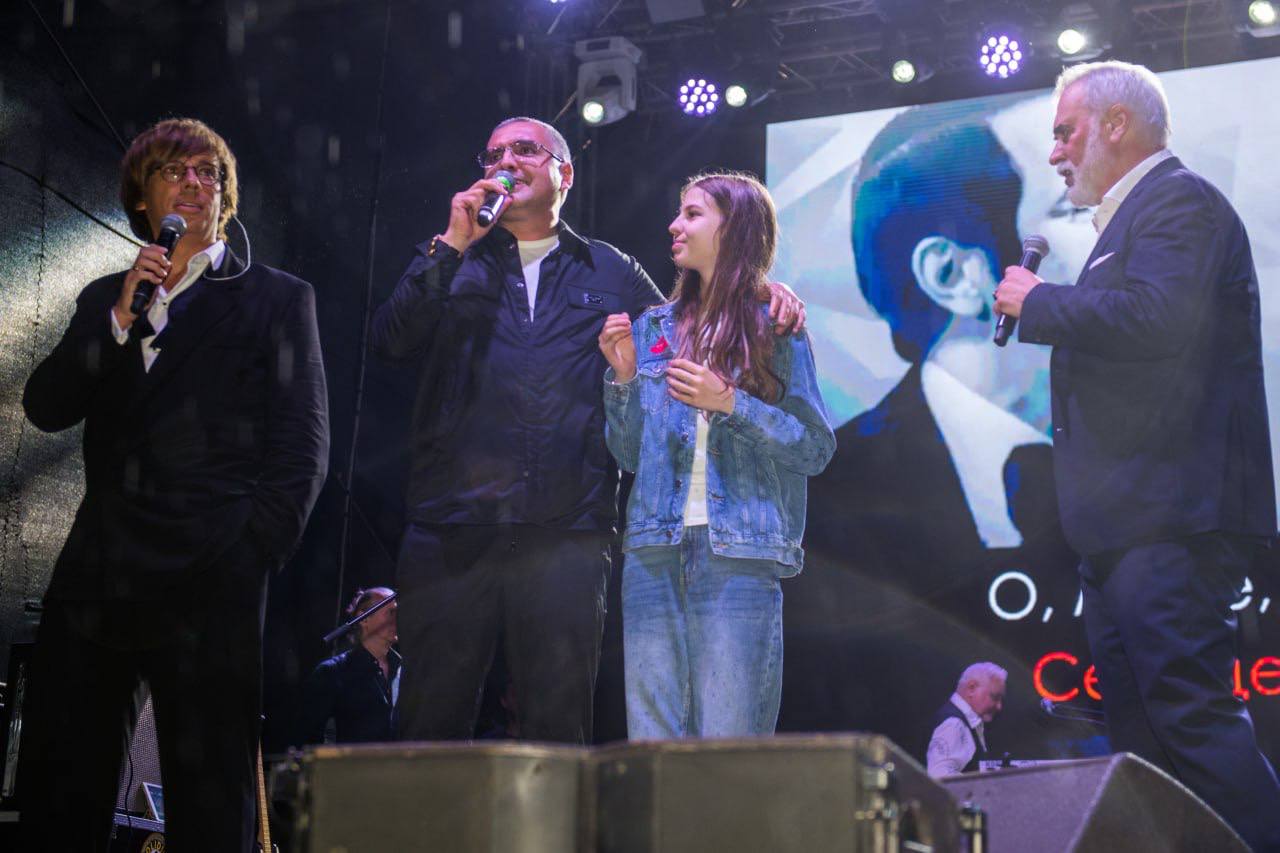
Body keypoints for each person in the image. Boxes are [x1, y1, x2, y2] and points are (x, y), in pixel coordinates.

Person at [371, 117, 803, 744]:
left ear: (564, 174)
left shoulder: (609, 269)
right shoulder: (452, 259)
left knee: (557, 728)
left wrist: (762, 291)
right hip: (451, 528)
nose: (505, 162)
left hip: (567, 535)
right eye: (493, 154)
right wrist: (451, 242)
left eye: (525, 149)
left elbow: (687, 324)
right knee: (429, 725)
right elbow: (390, 341)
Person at [17, 118, 330, 852]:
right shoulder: (107, 295)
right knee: (62, 786)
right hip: (100, 574)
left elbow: (304, 443)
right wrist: (118, 317)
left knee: (211, 798)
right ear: (141, 198)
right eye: (174, 170)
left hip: (212, 573)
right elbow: (46, 405)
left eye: (208, 172)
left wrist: (251, 551)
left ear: (225, 196)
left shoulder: (276, 297)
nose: (195, 182)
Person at [995, 60, 1280, 850]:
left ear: (1116, 125)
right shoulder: (1133, 221)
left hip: (1171, 519)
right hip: (1130, 525)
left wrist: (1040, 302)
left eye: (1066, 131)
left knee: (1191, 723)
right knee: (1147, 746)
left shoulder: (1177, 201)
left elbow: (1160, 318)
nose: (1055, 152)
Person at [598, 171, 835, 738]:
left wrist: (731, 403)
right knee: (653, 742)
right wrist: (624, 379)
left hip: (739, 551)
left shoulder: (776, 323)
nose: (674, 226)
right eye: (679, 213)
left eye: (693, 214)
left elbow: (814, 447)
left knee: (728, 743)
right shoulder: (652, 328)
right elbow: (628, 454)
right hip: (653, 550)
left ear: (734, 228)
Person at [297, 587, 400, 744]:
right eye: (390, 613)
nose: (397, 618)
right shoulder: (334, 672)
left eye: (397, 612)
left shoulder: (405, 670)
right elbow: (309, 736)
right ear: (364, 619)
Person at [926, 662, 1007, 778]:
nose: (999, 706)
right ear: (971, 688)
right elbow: (939, 777)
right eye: (995, 697)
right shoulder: (954, 724)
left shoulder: (959, 722)